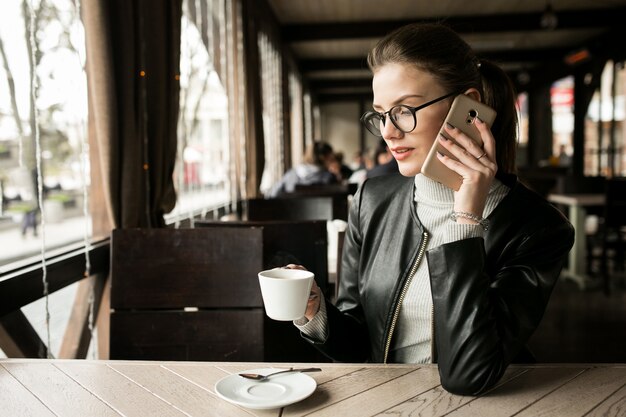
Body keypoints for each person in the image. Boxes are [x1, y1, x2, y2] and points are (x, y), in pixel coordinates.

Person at [288, 23, 574, 396]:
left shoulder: (537, 228)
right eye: (381, 114)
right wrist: (316, 312)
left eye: (404, 110)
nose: (388, 132)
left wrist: (466, 218)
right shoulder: (371, 200)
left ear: (468, 109)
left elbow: (469, 376)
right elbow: (362, 348)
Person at [267, 141, 339, 198]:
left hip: (290, 214)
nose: (333, 159)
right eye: (331, 157)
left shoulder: (292, 174)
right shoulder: (328, 177)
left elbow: (272, 194)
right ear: (323, 157)